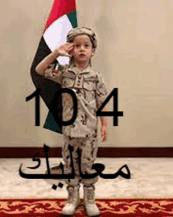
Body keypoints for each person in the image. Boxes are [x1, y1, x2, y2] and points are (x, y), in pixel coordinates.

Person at [35, 27, 108, 217]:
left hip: (89, 132)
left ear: (93, 50)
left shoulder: (96, 77)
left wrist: (104, 125)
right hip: (69, 131)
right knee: (70, 166)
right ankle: (73, 199)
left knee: (88, 166)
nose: (82, 49)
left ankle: (90, 200)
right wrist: (55, 54)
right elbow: (39, 70)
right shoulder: (64, 74)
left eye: (86, 45)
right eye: (77, 45)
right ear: (70, 50)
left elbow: (102, 102)